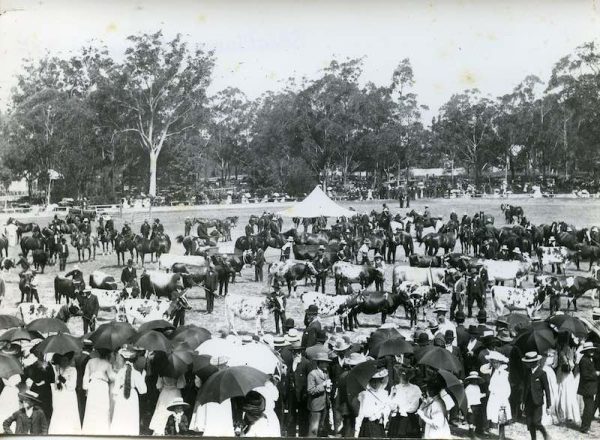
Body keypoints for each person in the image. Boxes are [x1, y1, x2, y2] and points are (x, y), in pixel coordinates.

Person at [110, 345, 147, 436]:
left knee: (120, 417)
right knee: (131, 417)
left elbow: (114, 390)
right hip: (133, 396)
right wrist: (143, 376)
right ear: (134, 361)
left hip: (121, 395)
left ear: (123, 360)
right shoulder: (137, 374)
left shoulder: (120, 372)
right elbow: (143, 390)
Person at [81, 348, 115, 435]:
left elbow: (86, 376)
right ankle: (101, 430)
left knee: (91, 408)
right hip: (102, 386)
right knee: (102, 408)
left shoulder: (91, 361)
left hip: (92, 385)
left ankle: (89, 429)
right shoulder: (108, 364)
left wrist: (86, 388)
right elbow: (112, 377)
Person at [48, 353, 81, 435]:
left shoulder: (73, 370)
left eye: (66, 360)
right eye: (62, 360)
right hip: (61, 395)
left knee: (69, 414)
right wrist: (58, 382)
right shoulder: (58, 370)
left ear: (69, 361)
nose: (64, 362)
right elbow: (55, 386)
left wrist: (64, 380)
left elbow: (72, 386)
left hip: (69, 396)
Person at [521, 351, 551, 440]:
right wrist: (522, 401)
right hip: (528, 401)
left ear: (536, 362)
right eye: (527, 363)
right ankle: (533, 438)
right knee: (530, 423)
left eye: (530, 363)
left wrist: (548, 405)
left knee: (536, 422)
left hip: (538, 401)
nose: (528, 365)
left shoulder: (542, 373)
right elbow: (525, 387)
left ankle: (545, 434)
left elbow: (547, 390)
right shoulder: (527, 373)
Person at [355, 368, 390, 438]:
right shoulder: (364, 394)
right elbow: (361, 411)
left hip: (379, 424)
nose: (375, 383)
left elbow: (387, 407)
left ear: (381, 382)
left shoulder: (384, 394)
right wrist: (357, 429)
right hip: (368, 424)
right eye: (373, 381)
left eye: (377, 381)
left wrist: (383, 414)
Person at [388, 364, 421, 438]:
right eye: (401, 374)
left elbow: (414, 406)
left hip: (410, 420)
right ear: (399, 375)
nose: (404, 377)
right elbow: (392, 407)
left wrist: (402, 409)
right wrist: (392, 395)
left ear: (409, 376)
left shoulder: (415, 388)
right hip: (397, 419)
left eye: (406, 374)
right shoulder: (395, 388)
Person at [556, 331, 580, 425]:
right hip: (563, 372)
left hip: (564, 373)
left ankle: (567, 414)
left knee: (565, 392)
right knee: (565, 392)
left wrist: (563, 355)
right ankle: (566, 413)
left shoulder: (566, 348)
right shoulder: (565, 348)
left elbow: (571, 364)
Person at [306, 352, 332, 437]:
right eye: (325, 362)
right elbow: (310, 390)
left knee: (322, 428)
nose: (327, 364)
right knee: (314, 430)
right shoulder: (312, 374)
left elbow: (326, 387)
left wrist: (329, 388)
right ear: (319, 362)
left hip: (325, 404)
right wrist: (323, 385)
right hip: (316, 406)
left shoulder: (326, 373)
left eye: (327, 362)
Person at [484, 351, 512, 428]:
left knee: (501, 415)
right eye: (493, 363)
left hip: (501, 396)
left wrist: (504, 398)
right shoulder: (494, 371)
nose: (494, 364)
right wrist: (489, 364)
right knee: (494, 415)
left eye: (496, 363)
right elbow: (482, 369)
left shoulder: (503, 372)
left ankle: (501, 436)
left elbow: (506, 387)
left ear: (500, 363)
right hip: (494, 396)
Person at [577, 341, 599, 433]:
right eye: (589, 350)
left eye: (592, 350)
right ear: (585, 351)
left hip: (590, 387)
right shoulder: (584, 360)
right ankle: (584, 428)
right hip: (586, 388)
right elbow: (585, 375)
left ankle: (587, 426)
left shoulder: (590, 359)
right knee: (588, 409)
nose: (591, 352)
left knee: (589, 408)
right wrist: (596, 374)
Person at [464, 371, 485, 436]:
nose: (475, 381)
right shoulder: (468, 387)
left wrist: (484, 395)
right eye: (473, 379)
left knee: (478, 418)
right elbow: (467, 398)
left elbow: (478, 395)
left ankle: (478, 430)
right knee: (471, 419)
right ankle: (471, 432)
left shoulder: (477, 387)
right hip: (471, 405)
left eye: (476, 379)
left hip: (478, 404)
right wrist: (468, 407)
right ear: (470, 380)